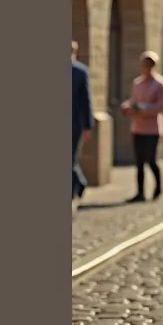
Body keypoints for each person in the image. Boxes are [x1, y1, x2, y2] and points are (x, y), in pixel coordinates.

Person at [120, 51, 163, 202]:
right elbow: (133, 100)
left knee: (151, 159)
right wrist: (128, 106)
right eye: (143, 65)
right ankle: (140, 192)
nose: (145, 68)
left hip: (152, 128)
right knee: (139, 161)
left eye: (148, 65)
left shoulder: (160, 84)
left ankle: (158, 187)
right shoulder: (137, 83)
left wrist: (143, 108)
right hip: (138, 127)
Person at [71, 42, 95, 205]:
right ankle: (79, 183)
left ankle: (76, 187)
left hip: (74, 122)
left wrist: (87, 125)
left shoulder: (79, 72)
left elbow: (85, 101)